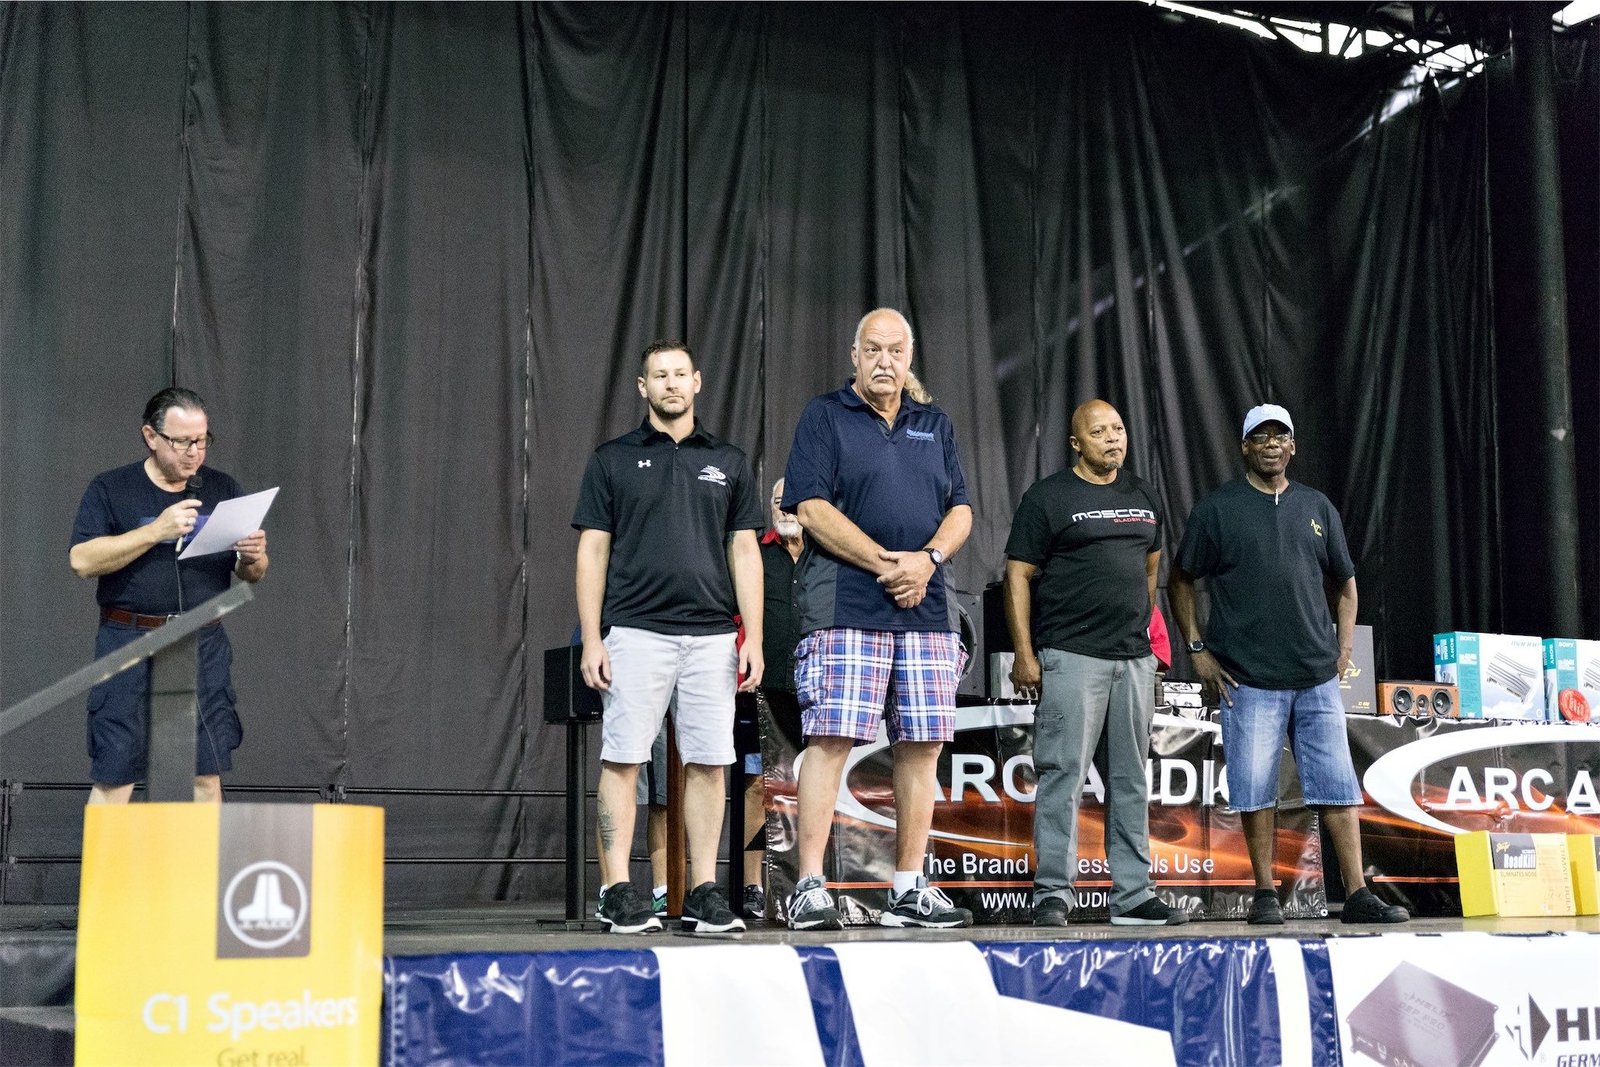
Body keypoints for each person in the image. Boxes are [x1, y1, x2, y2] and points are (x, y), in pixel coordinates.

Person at [1168, 403, 1408, 926]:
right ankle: (1265, 893)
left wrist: (1344, 648)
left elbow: (1345, 584)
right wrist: (1196, 649)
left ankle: (1358, 893)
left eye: (1281, 436)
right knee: (1256, 789)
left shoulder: (1317, 506)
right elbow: (1180, 580)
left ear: (1293, 447)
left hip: (1315, 677)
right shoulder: (1218, 509)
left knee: (1337, 786)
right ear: (1245, 447)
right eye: (1261, 437)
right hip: (1247, 677)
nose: (1272, 444)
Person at [781, 307, 974, 930]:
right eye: (873, 350)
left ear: (909, 357)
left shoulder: (934, 424)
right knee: (831, 740)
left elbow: (962, 510)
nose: (884, 361)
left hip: (928, 609)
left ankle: (909, 888)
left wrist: (927, 560)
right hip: (846, 606)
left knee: (922, 746)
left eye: (895, 350)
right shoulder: (825, 416)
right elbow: (810, 507)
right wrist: (887, 564)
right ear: (854, 356)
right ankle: (809, 886)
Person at [574, 340, 765, 935]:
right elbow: (592, 551)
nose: (671, 383)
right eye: (660, 375)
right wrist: (592, 638)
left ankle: (704, 890)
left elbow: (745, 552)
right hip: (634, 633)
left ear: (697, 381)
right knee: (623, 759)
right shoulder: (612, 459)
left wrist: (753, 637)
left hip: (712, 638)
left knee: (709, 762)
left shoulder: (729, 461)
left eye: (681, 373)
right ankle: (615, 891)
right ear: (643, 386)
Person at [1004, 399, 1188, 927]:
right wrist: (1025, 653)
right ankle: (1053, 894)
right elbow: (1017, 575)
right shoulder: (1049, 498)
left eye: (1119, 428)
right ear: (1076, 443)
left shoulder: (1143, 496)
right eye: (1100, 431)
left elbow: (1150, 570)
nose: (1113, 438)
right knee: (1063, 776)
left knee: (1130, 780)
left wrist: (1145, 640)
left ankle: (1133, 896)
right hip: (1070, 656)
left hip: (1132, 660)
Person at [69, 387, 269, 804]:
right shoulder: (112, 488)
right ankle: (106, 853)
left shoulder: (223, 488)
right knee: (116, 776)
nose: (194, 452)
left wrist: (255, 557)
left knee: (204, 775)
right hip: (130, 642)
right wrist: (155, 531)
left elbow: (251, 575)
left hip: (201, 643)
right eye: (182, 442)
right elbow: (82, 561)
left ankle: (202, 853)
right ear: (151, 436)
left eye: (202, 440)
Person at [733, 477, 805, 921]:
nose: (785, 509)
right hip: (760, 691)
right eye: (778, 502)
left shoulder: (824, 556)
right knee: (758, 787)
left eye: (791, 501)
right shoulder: (755, 555)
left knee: (812, 785)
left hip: (816, 690)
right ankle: (752, 885)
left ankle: (809, 883)